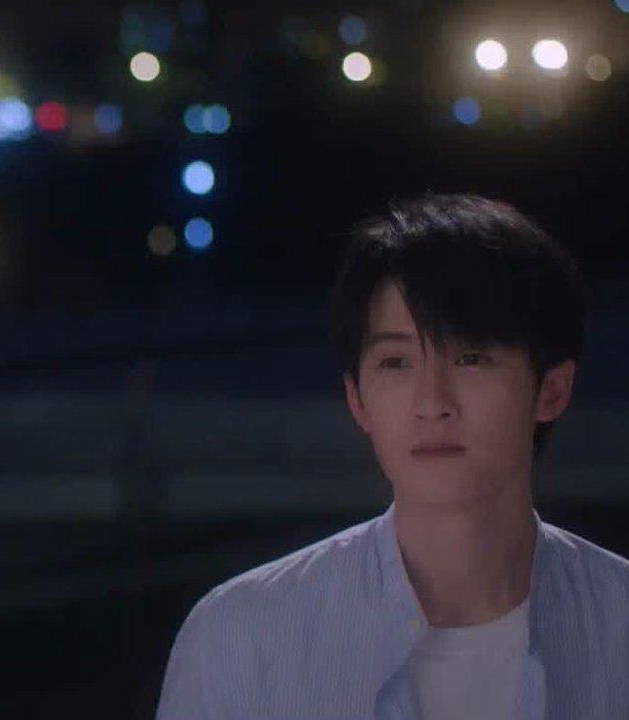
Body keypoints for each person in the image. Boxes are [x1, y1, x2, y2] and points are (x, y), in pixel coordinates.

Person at [156, 194, 629, 719]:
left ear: (552, 390)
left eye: (471, 357)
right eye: (396, 363)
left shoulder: (617, 622)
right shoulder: (242, 636)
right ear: (357, 399)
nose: (433, 403)